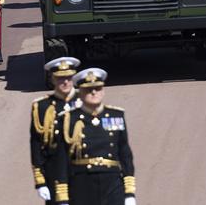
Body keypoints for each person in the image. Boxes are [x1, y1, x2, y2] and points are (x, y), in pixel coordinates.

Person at [53, 68, 135, 205]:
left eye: (97, 88)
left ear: (103, 90)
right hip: (82, 184)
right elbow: (61, 159)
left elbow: (125, 154)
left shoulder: (116, 115)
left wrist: (129, 193)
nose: (93, 92)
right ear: (80, 92)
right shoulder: (68, 120)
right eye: (88, 89)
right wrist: (62, 196)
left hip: (112, 183)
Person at [30, 57, 82, 204]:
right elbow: (36, 145)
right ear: (53, 80)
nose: (65, 82)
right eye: (60, 78)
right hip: (55, 173)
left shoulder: (85, 102)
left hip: (83, 173)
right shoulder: (42, 107)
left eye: (68, 78)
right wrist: (40, 181)